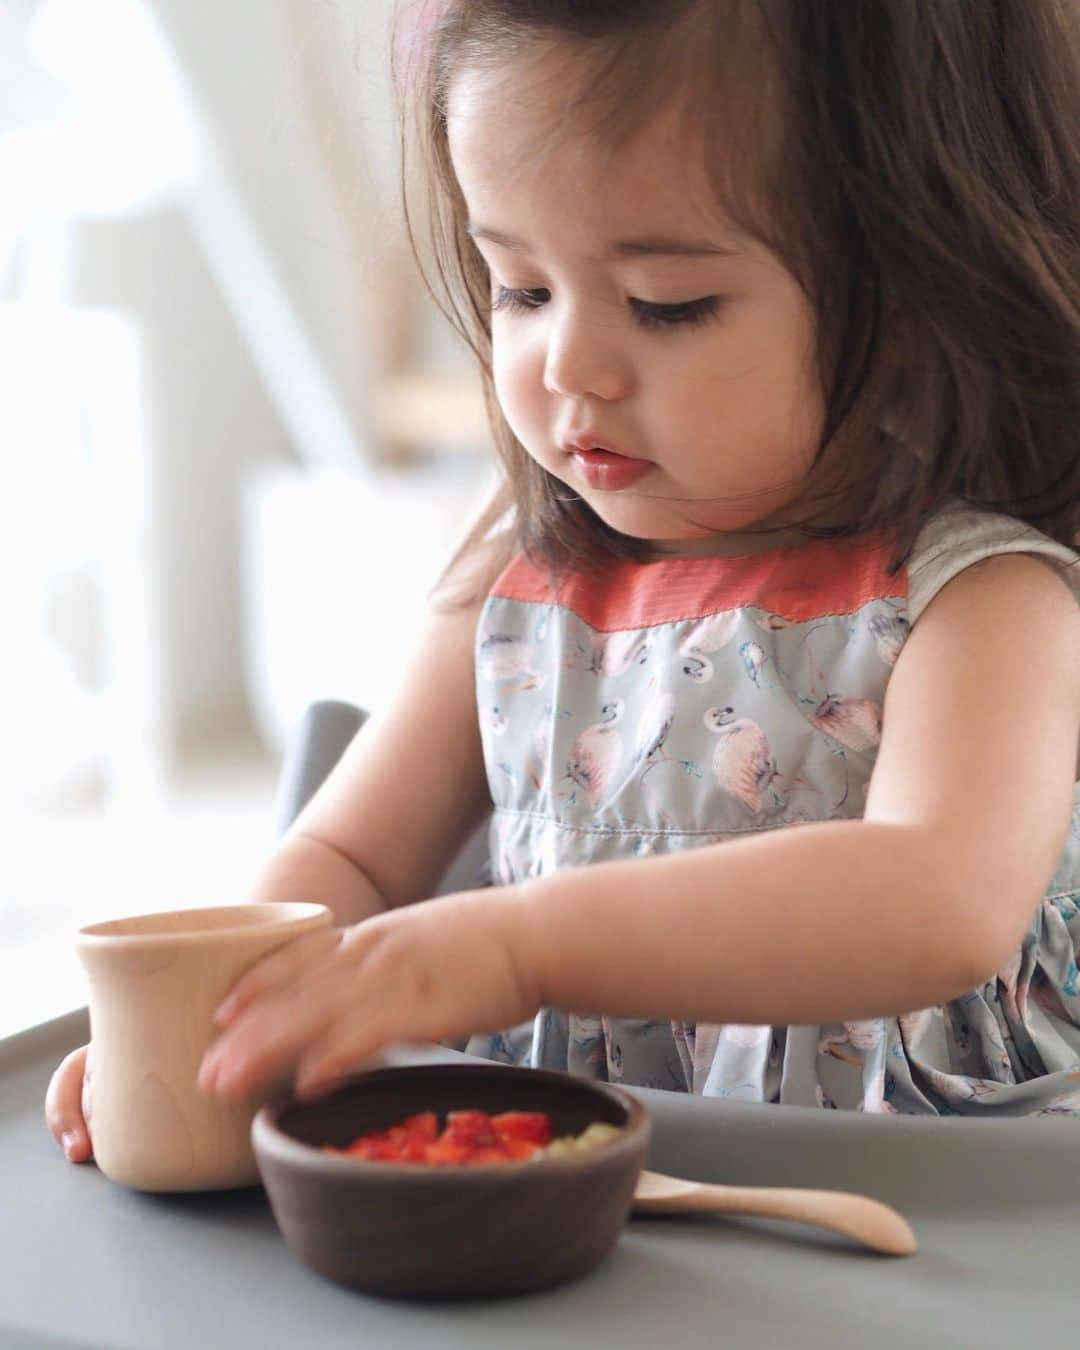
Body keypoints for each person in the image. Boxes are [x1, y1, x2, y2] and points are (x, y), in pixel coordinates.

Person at [48, 0, 1080, 1160]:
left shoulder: (983, 602)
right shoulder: (521, 588)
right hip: (567, 1210)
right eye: (521, 289)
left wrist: (515, 947)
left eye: (666, 304)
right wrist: (217, 1020)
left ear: (913, 300)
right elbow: (351, 856)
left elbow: (936, 899)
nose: (567, 365)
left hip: (917, 1223)